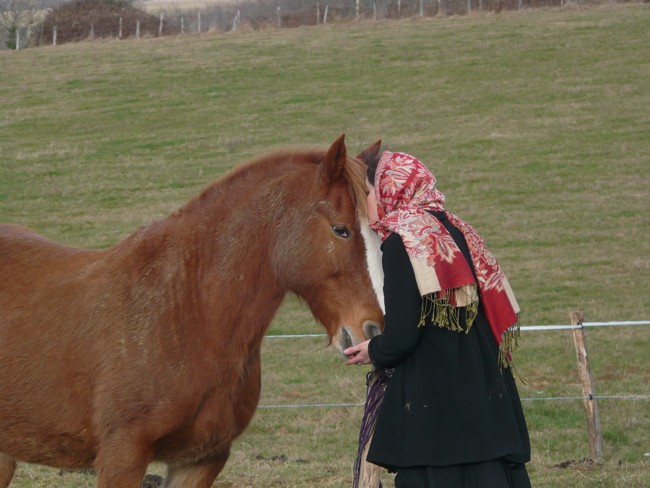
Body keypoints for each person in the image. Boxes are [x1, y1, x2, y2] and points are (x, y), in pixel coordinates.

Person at [345, 147, 531, 488]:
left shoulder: (402, 241)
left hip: (436, 404)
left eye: (368, 193)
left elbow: (403, 334)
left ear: (391, 188)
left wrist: (374, 350)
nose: (364, 204)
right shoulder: (457, 230)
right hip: (482, 388)